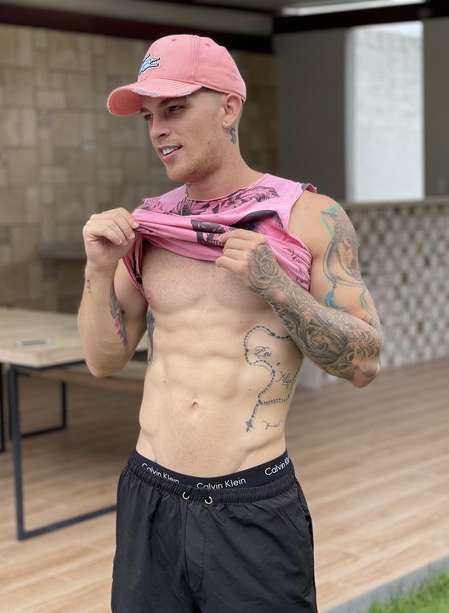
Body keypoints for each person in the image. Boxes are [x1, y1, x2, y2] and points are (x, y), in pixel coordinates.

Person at [78, 34, 382, 613]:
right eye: (148, 117)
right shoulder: (151, 225)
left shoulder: (306, 218)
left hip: (251, 506)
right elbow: (103, 360)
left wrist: (278, 287)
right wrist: (97, 271)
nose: (157, 130)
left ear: (228, 108)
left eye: (174, 109)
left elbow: (365, 363)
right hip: (150, 494)